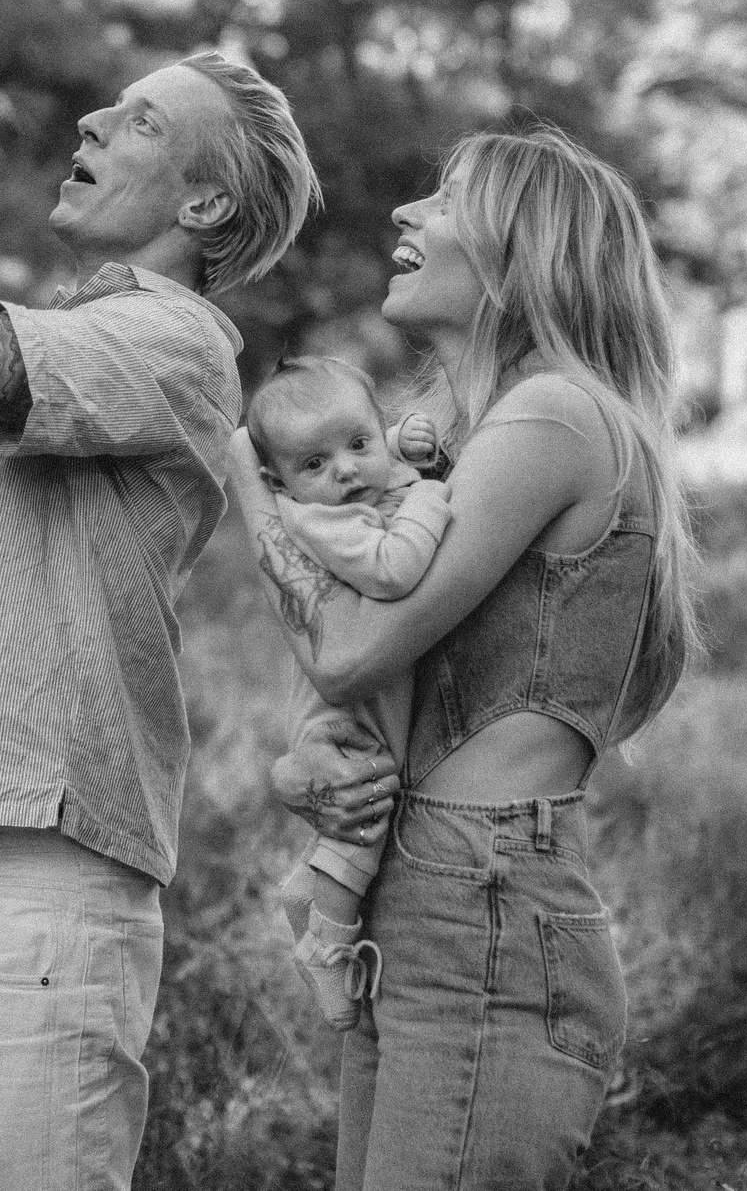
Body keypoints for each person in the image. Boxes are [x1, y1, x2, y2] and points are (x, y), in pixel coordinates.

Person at [0, 51, 318, 1191]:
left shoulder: (174, 344)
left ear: (203, 204)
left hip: (31, 893)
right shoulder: (41, 337)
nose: (88, 116)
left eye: (136, 122)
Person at [229, 126, 700, 1191]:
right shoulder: (460, 434)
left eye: (445, 200)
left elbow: (346, 651)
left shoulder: (554, 416)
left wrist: (248, 485)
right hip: (428, 883)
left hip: (479, 895)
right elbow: (372, 690)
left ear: (523, 251)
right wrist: (300, 770)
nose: (406, 214)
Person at [239, 357, 450, 1029]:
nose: (347, 471)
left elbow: (388, 460)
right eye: (315, 464)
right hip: (340, 716)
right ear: (281, 483)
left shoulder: (358, 483)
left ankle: (308, 889)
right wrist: (431, 495)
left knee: (367, 815)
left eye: (359, 445)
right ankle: (326, 946)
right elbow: (394, 568)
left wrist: (409, 445)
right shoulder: (320, 520)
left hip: (361, 698)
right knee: (364, 813)